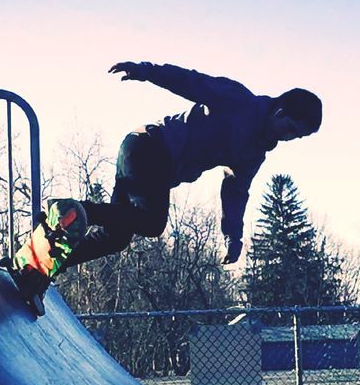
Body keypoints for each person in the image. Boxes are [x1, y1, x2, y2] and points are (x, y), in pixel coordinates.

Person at [63, 61, 322, 268]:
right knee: (152, 222)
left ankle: (49, 265)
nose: (288, 138)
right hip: (151, 146)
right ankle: (76, 209)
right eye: (290, 129)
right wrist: (146, 71)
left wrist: (233, 235)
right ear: (280, 112)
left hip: (144, 154)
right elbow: (191, 82)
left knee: (114, 238)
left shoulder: (254, 153)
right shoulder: (239, 101)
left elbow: (235, 192)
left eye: (296, 136)